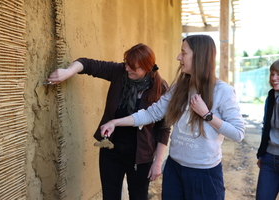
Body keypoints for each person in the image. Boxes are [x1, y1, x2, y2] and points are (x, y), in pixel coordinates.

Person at [100, 34, 245, 200]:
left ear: (199, 56)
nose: (178, 57)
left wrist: (207, 115)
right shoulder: (179, 88)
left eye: (183, 53)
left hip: (204, 174)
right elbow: (151, 113)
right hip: (174, 169)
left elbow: (238, 133)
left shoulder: (223, 91)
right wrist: (115, 122)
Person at [47, 43, 170, 200]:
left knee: (139, 197)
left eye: (133, 67)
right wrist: (67, 72)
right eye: (126, 63)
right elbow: (87, 64)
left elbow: (164, 129)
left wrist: (157, 162)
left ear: (146, 68)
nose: (127, 69)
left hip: (141, 156)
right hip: (111, 150)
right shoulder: (119, 72)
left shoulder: (161, 89)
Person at [256, 59, 279, 200]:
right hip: (269, 159)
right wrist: (262, 154)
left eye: (278, 74)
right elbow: (266, 126)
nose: (274, 78)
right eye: (272, 74)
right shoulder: (271, 96)